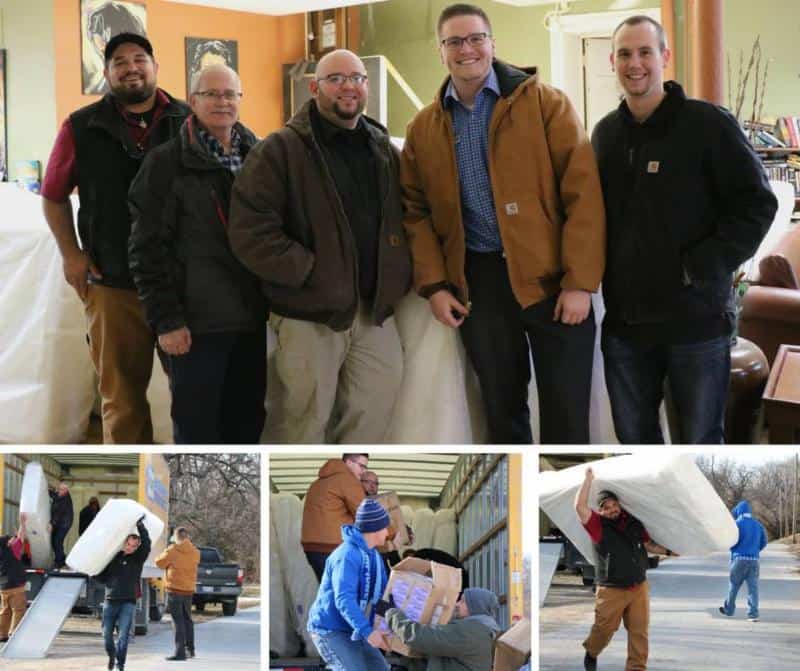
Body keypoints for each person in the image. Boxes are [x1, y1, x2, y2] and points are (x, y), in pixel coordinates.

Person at [400, 3, 605, 444]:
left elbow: (583, 196)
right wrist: (435, 286)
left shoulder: (546, 105)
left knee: (567, 414)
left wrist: (580, 283)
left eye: (475, 38)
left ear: (493, 44)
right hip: (481, 284)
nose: (466, 49)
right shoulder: (423, 129)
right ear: (441, 52)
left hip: (553, 282)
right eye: (454, 41)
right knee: (501, 410)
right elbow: (414, 212)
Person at [591, 16, 777, 444]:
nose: (634, 64)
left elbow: (757, 203)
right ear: (612, 61)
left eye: (644, 52)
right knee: (635, 442)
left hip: (696, 322)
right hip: (625, 326)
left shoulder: (707, 124)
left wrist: (702, 265)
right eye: (624, 54)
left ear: (665, 58)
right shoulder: (604, 136)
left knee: (699, 444)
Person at [228, 48, 412, 444]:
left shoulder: (382, 148)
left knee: (374, 410)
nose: (349, 87)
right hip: (309, 313)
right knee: (303, 421)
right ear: (314, 88)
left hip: (372, 312)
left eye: (357, 78)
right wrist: (311, 272)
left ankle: (347, 477)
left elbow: (407, 216)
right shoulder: (279, 150)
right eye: (337, 79)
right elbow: (250, 231)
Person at [42, 32, 190, 444]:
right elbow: (52, 197)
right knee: (121, 402)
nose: (131, 67)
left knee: (194, 396)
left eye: (139, 58)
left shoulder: (189, 120)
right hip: (112, 282)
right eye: (119, 62)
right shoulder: (80, 127)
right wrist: (71, 254)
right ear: (106, 74)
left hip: (183, 285)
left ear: (155, 66)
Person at [128, 64, 267, 444]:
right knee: (197, 429)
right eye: (211, 94)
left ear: (240, 99)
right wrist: (167, 320)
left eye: (230, 94)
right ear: (192, 101)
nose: (222, 102)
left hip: (252, 322)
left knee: (247, 424)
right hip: (195, 326)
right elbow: (146, 249)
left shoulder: (260, 155)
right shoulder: (164, 164)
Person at [575, 467, 674, 671]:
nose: (612, 509)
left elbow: (648, 545)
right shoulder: (597, 526)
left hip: (638, 586)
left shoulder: (633, 523)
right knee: (604, 629)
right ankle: (592, 652)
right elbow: (579, 506)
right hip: (611, 589)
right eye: (606, 507)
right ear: (600, 511)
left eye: (614, 505)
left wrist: (670, 552)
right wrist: (587, 480)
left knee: (639, 632)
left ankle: (636, 668)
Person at [307, 498, 391, 671]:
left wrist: (389, 627)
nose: (387, 532)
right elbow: (344, 600)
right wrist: (368, 632)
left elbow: (384, 594)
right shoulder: (346, 556)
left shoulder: (375, 557)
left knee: (380, 669)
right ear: (374, 529)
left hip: (354, 628)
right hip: (330, 629)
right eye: (385, 527)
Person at [383, 586, 500, 671]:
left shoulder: (470, 631)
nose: (457, 604)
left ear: (475, 606)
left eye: (463, 601)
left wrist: (391, 613)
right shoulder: (486, 631)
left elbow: (420, 637)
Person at [94, 516, 151, 671]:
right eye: (129, 544)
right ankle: (112, 655)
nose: (131, 548)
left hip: (128, 602)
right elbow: (102, 577)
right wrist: (92, 573)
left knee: (124, 635)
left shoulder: (138, 559)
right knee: (106, 636)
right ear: (124, 542)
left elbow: (147, 545)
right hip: (110, 601)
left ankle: (120, 664)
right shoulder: (113, 558)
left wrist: (140, 526)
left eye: (134, 546)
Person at [301, 454, 367, 581]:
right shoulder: (347, 480)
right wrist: (394, 534)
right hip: (333, 547)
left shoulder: (316, 484)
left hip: (312, 549)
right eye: (361, 466)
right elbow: (366, 515)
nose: (364, 472)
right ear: (349, 462)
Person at [155, 526, 201, 661]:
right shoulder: (195, 552)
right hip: (188, 590)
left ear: (176, 537)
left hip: (174, 589)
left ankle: (179, 652)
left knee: (178, 621)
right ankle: (190, 650)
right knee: (188, 619)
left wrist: (168, 549)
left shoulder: (173, 550)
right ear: (187, 537)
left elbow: (159, 562)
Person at [719, 500, 767, 622]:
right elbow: (764, 542)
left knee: (733, 586)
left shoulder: (736, 524)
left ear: (739, 511)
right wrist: (755, 550)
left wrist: (734, 549)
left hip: (739, 560)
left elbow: (730, 541)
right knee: (753, 588)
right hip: (754, 561)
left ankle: (729, 610)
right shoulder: (758, 524)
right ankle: (753, 614)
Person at [0, 514, 28, 644]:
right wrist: (22, 523)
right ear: (8, 543)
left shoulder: (2, 551)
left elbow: (17, 539)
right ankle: (14, 634)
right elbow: (21, 538)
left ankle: (2, 634)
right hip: (16, 585)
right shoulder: (14, 551)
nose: (13, 539)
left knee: (5, 611)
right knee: (18, 610)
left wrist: (15, 536)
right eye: (10, 539)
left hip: (3, 587)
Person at [50, 482, 74, 569]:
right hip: (59, 523)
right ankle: (63, 559)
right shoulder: (60, 495)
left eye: (61, 489)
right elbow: (55, 495)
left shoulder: (65, 500)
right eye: (58, 489)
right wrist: (47, 490)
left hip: (64, 523)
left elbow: (58, 514)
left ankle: (59, 562)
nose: (58, 491)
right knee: (53, 541)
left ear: (66, 491)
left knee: (57, 541)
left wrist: (52, 524)